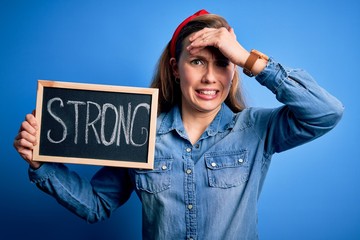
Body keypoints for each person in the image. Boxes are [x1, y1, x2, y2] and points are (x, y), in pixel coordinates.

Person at [14, 9, 344, 240]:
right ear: (176, 68)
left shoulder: (258, 129)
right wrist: (42, 164)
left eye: (223, 62)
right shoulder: (138, 132)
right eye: (197, 61)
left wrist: (247, 59)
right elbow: (96, 204)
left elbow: (326, 112)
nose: (210, 77)